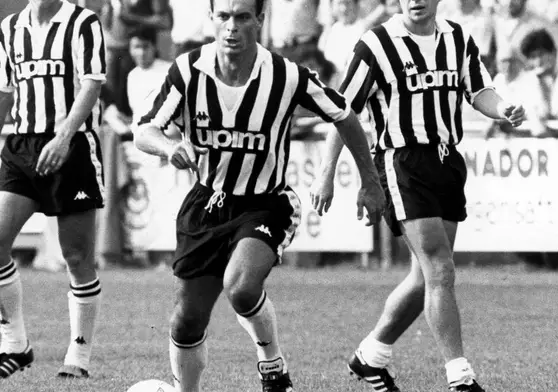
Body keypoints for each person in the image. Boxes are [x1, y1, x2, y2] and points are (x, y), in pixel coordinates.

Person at [133, 0, 385, 391]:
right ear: (211, 19)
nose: (232, 27)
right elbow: (144, 129)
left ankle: (272, 363)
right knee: (185, 321)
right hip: (206, 204)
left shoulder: (286, 75)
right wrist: (168, 149)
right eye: (224, 17)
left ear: (260, 21)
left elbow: (344, 113)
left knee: (241, 286)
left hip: (265, 202)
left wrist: (370, 181)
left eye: (242, 17)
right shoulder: (187, 71)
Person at [310, 0, 526, 391]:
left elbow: (478, 89)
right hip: (401, 163)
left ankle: (370, 357)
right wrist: (327, 173)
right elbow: (342, 111)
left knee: (423, 276)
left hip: (446, 161)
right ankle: (460, 376)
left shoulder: (456, 37)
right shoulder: (376, 44)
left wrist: (503, 108)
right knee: (440, 269)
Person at [0, 0, 106, 379]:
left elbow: (92, 83)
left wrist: (64, 136)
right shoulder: (10, 27)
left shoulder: (83, 22)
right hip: (21, 147)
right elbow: (1, 92)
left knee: (77, 256)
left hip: (73, 146)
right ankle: (14, 344)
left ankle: (78, 357)